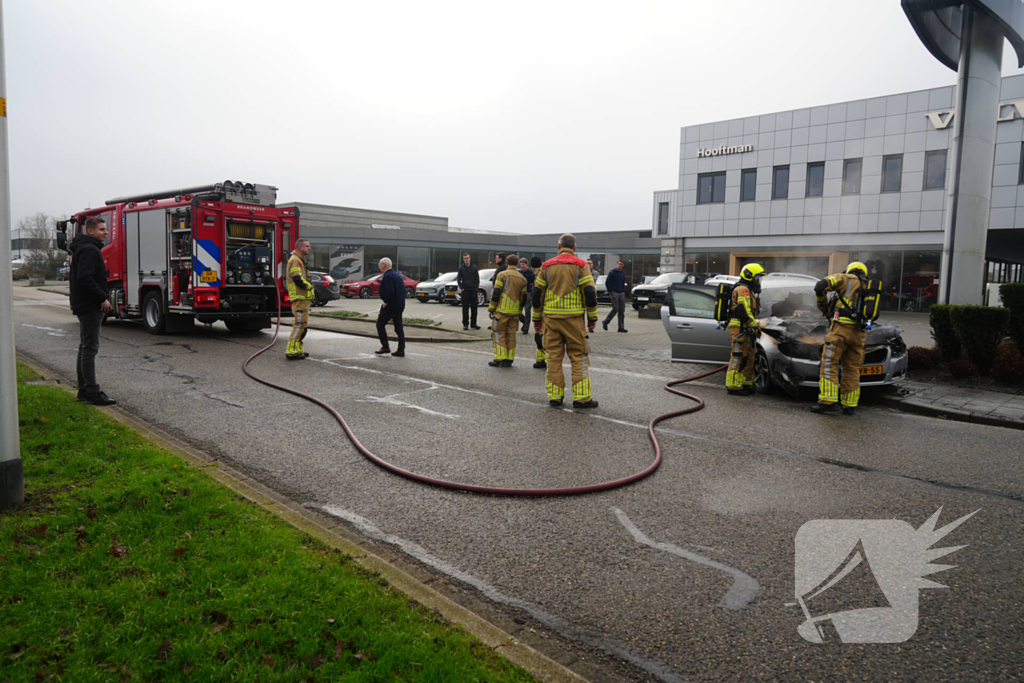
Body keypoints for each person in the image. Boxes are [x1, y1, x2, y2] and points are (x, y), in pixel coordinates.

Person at [532, 234, 599, 408]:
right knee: (579, 357)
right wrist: (592, 318)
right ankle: (582, 398)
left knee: (553, 357)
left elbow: (537, 295)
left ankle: (555, 397)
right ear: (575, 248)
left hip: (551, 320)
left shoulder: (546, 266)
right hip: (574, 320)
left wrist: (536, 319)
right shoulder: (582, 265)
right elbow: (590, 293)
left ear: (558, 246)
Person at [812, 262, 870, 416]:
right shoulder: (868, 286)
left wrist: (823, 304)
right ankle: (849, 405)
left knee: (829, 364)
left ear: (850, 270)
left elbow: (820, 286)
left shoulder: (844, 278)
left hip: (840, 331)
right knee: (852, 369)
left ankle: (827, 402)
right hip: (859, 334)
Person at [69, 216, 116, 406]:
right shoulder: (89, 249)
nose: (106, 232)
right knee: (90, 348)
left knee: (85, 347)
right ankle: (92, 392)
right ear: (90, 231)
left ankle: (84, 390)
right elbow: (85, 277)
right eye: (102, 229)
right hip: (89, 305)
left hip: (83, 303)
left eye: (105, 229)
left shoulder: (83, 247)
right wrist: (102, 298)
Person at [725, 263, 765, 396]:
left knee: (750, 355)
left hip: (746, 327)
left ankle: (746, 383)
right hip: (739, 328)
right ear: (749, 276)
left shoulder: (748, 290)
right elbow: (744, 310)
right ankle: (733, 386)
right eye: (757, 277)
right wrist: (755, 325)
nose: (758, 280)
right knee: (738, 356)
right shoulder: (742, 289)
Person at [488, 255, 528, 367]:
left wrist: (491, 308)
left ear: (507, 262)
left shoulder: (502, 275)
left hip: (501, 311)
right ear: (517, 264)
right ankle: (509, 359)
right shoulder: (523, 279)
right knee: (511, 335)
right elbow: (523, 299)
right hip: (515, 313)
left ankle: (499, 358)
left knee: (498, 334)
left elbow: (496, 294)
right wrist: (520, 312)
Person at [285, 238, 314, 360]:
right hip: (300, 298)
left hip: (303, 298)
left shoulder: (299, 260)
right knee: (299, 325)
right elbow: (297, 278)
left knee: (303, 325)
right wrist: (310, 286)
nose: (309, 248)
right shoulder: (295, 260)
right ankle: (291, 351)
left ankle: (298, 349)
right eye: (307, 246)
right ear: (300, 247)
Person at [375, 258, 406, 357]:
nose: (379, 267)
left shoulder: (388, 276)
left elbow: (390, 291)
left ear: (384, 265)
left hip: (391, 306)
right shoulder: (398, 276)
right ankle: (401, 350)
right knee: (398, 328)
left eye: (379, 265)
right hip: (399, 305)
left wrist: (385, 302)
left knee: (380, 324)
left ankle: (385, 346)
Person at [529, 257, 547, 368]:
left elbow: (537, 298)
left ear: (531, 267)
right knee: (541, 337)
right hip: (548, 310)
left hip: (543, 311)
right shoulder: (544, 272)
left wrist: (536, 318)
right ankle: (540, 360)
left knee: (541, 337)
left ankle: (542, 361)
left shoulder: (540, 275)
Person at [601, 259, 627, 333]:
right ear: (617, 264)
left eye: (621, 264)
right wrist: (611, 291)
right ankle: (606, 321)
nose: (620, 265)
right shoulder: (612, 272)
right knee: (615, 308)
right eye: (619, 264)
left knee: (622, 310)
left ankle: (621, 327)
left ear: (623, 265)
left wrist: (623, 290)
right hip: (614, 292)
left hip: (621, 292)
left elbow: (623, 282)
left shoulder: (622, 273)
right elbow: (607, 282)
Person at [457, 253, 481, 331]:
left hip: (473, 290)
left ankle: (473, 324)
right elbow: (458, 279)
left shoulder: (474, 267)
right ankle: (465, 324)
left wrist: (476, 287)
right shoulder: (461, 268)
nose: (466, 260)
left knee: (474, 308)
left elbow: (477, 278)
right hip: (465, 291)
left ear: (470, 258)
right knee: (465, 308)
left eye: (467, 258)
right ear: (463, 259)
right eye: (465, 258)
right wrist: (461, 287)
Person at [519, 257, 535, 334]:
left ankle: (526, 328)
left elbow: (533, 284)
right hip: (520, 294)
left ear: (527, 264)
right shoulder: (519, 272)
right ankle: (524, 321)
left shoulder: (531, 273)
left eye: (523, 264)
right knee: (518, 310)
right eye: (521, 264)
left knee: (527, 310)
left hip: (528, 293)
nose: (522, 266)